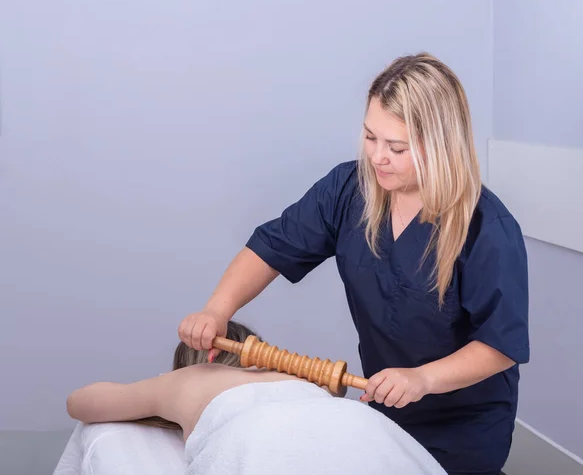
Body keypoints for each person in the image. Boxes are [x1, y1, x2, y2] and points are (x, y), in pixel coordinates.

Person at [177, 52, 529, 475]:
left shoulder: (487, 228)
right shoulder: (349, 190)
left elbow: (500, 345)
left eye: (396, 147)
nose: (378, 157)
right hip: (382, 403)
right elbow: (271, 247)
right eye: (370, 137)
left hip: (465, 423)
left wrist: (423, 379)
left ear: (440, 144)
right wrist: (218, 310)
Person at [66, 320, 448, 475]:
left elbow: (80, 403)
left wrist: (156, 388)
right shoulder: (294, 376)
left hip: (264, 437)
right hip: (364, 427)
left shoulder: (188, 381)